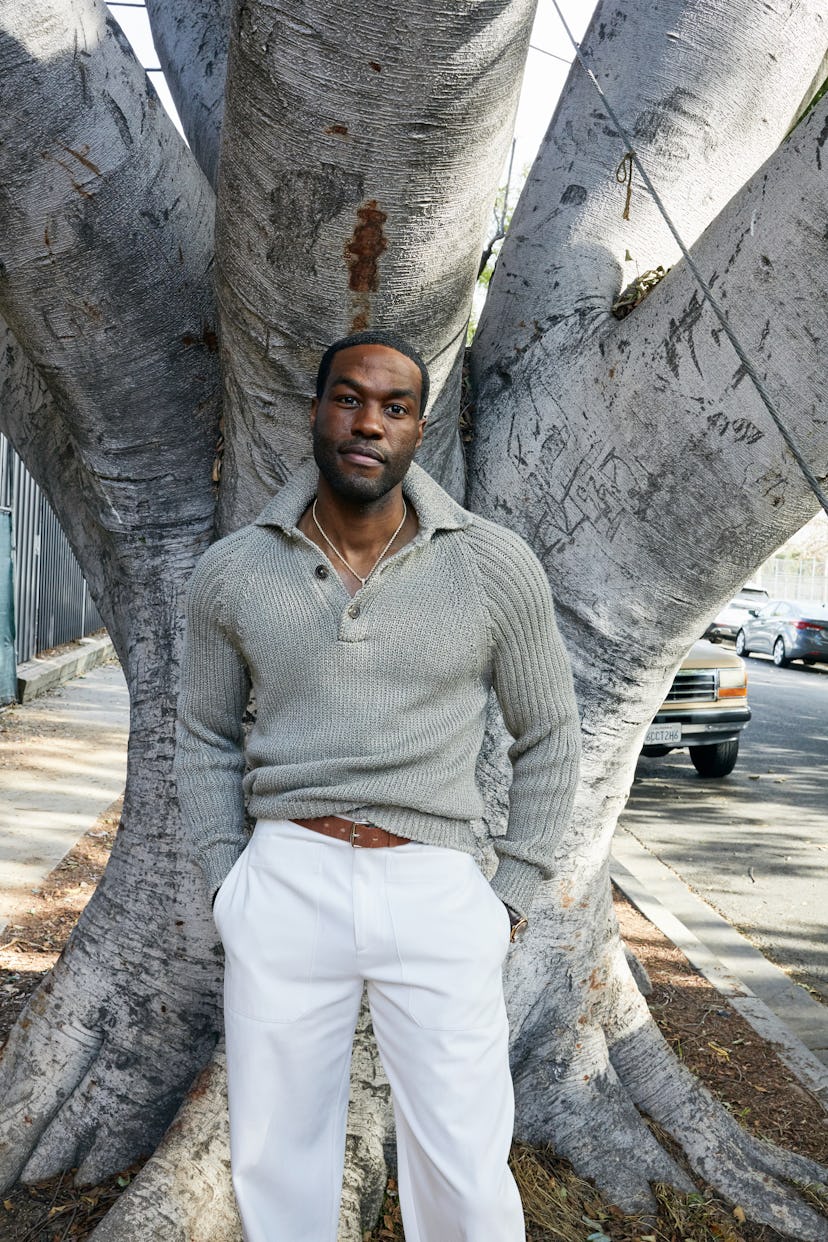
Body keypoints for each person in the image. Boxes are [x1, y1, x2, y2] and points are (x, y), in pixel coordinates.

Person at [174, 329, 581, 1242]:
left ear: (420, 431)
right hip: (285, 877)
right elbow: (201, 733)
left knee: (466, 1164)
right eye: (349, 398)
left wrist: (508, 896)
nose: (369, 422)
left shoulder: (490, 565)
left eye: (394, 408)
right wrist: (224, 880)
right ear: (316, 413)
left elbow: (550, 737)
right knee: (277, 1156)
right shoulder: (233, 571)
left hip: (435, 884)